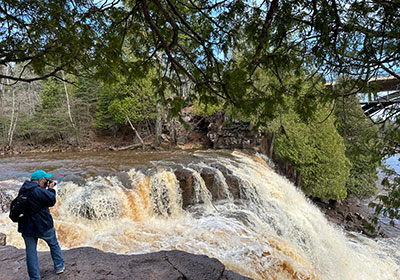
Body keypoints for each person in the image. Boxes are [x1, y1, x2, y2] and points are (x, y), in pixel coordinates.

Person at [18, 170, 64, 280]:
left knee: (31, 252)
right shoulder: (38, 190)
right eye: (46, 179)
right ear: (41, 180)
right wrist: (51, 189)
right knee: (53, 244)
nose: (47, 181)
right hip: (42, 225)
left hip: (26, 226)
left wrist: (46, 188)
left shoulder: (23, 188)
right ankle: (59, 267)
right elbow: (51, 200)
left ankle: (34, 277)